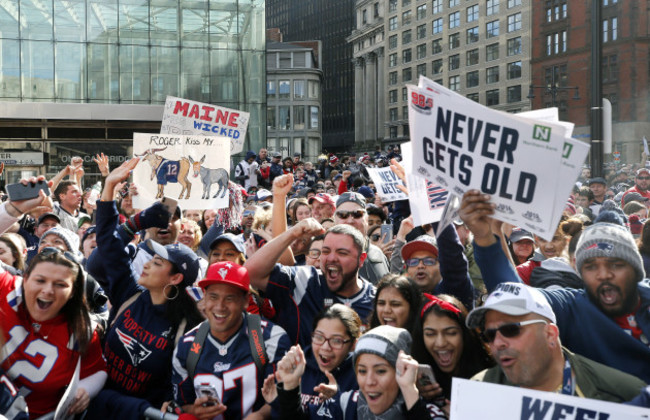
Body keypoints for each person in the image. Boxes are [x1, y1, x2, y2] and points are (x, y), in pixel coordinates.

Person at [459, 189, 650, 382]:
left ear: (636, 270)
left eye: (616, 264)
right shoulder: (573, 306)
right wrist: (486, 238)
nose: (603, 275)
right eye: (591, 266)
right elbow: (516, 296)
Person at [87, 158, 204, 419]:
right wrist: (109, 189)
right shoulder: (129, 294)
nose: (147, 264)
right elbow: (106, 243)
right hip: (96, 405)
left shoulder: (188, 328)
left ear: (175, 279)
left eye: (158, 261)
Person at [0, 177, 107, 418]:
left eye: (60, 284)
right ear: (24, 279)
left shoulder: (83, 328)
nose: (48, 290)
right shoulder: (6, 289)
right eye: (40, 280)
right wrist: (14, 209)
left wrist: (85, 390)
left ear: (74, 292)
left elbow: (98, 369)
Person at [466, 282, 645, 401]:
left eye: (510, 330)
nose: (498, 343)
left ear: (550, 334)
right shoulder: (479, 391)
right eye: (489, 335)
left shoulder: (625, 394)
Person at [172, 261, 291, 419]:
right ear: (204, 297)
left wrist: (261, 415)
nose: (220, 306)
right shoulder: (186, 346)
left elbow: (285, 400)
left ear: (246, 301)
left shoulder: (271, 338)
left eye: (230, 298)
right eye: (213, 297)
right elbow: (182, 403)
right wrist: (195, 411)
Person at [245, 220, 376, 346]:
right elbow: (250, 273)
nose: (331, 258)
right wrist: (293, 233)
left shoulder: (376, 300)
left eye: (342, 253)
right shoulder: (304, 280)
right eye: (325, 251)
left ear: (361, 259)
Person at [274, 325, 447, 419]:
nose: (369, 381)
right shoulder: (348, 403)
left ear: (402, 371)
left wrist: (410, 392)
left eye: (380, 371)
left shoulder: (428, 412)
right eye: (362, 371)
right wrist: (290, 385)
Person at [262, 304, 361, 413]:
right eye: (319, 337)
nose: (325, 347)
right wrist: (279, 401)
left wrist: (338, 399)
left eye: (336, 340)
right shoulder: (297, 366)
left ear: (353, 344)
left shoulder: (361, 374)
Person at [411, 294, 493, 402]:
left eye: (451, 333)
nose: (440, 343)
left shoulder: (491, 378)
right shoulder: (415, 381)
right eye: (430, 334)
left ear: (465, 334)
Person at [334, 192, 390, 284]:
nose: (350, 220)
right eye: (343, 214)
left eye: (357, 214)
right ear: (335, 219)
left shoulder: (378, 253)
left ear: (366, 220)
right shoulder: (324, 257)